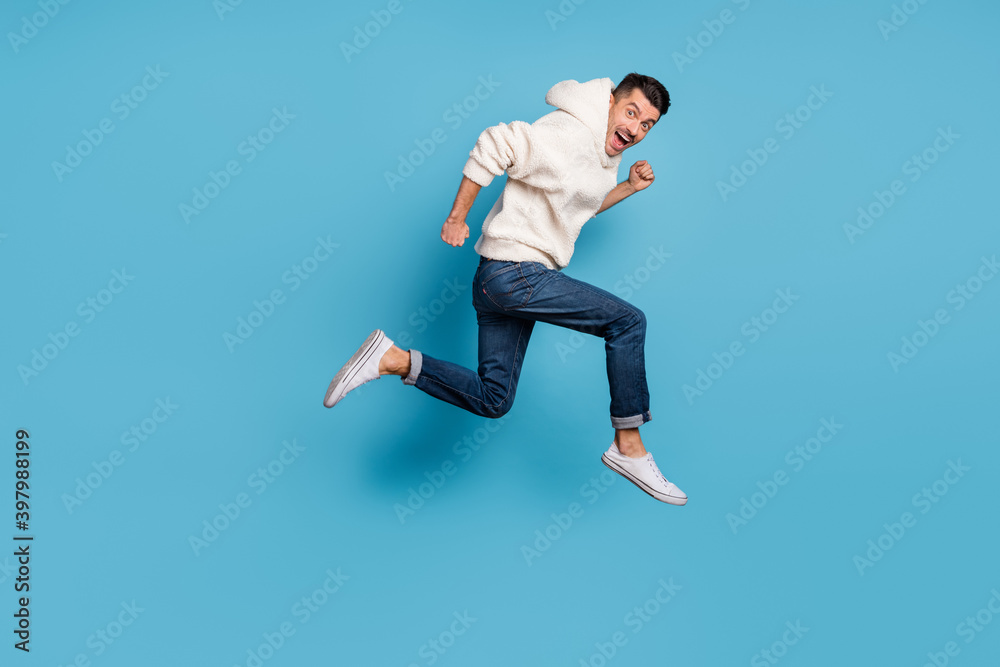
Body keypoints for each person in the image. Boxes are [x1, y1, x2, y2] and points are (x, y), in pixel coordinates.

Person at [324, 73, 687, 505]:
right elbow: (497, 143)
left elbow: (575, 206)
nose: (636, 128)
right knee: (627, 322)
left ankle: (392, 358)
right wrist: (458, 217)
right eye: (632, 113)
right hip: (517, 274)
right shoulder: (570, 132)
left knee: (494, 398)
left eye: (647, 125)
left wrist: (626, 186)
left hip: (500, 282)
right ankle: (629, 445)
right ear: (608, 102)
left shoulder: (597, 151)